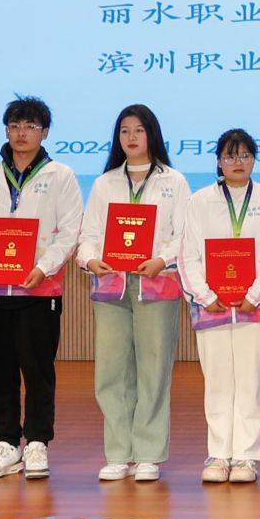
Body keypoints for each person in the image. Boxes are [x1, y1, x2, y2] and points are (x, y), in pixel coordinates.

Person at [0, 96, 83, 481]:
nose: (21, 133)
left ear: (45, 132)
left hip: (39, 291)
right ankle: (6, 443)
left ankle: (38, 442)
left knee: (38, 368)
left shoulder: (60, 175)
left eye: (30, 126)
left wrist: (44, 268)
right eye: (14, 126)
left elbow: (71, 231)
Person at [78, 105, 190, 483]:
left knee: (153, 369)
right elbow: (89, 236)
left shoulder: (174, 181)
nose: (131, 137)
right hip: (112, 285)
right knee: (111, 370)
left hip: (157, 284)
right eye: (124, 130)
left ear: (151, 134)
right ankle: (118, 452)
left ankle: (148, 454)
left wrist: (162, 260)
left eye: (139, 130)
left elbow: (184, 235)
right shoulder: (105, 183)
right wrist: (91, 260)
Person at [177, 128, 260, 484]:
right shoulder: (199, 201)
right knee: (218, 380)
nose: (238, 163)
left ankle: (246, 457)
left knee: (252, 381)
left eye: (245, 156)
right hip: (212, 306)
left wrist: (255, 294)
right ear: (218, 162)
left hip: (255, 306)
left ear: (254, 159)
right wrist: (206, 296)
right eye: (230, 156)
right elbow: (188, 254)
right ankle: (219, 453)